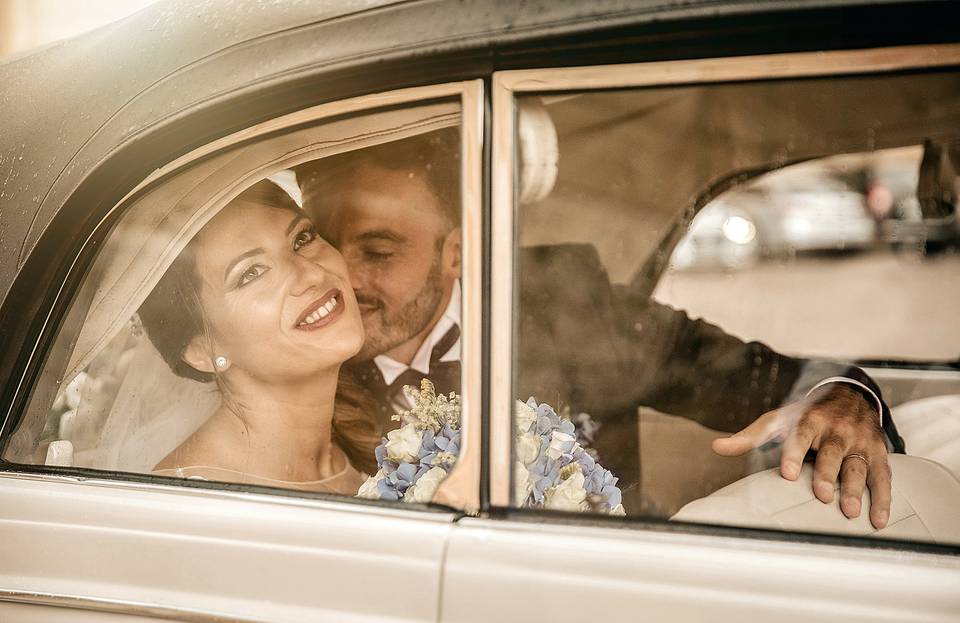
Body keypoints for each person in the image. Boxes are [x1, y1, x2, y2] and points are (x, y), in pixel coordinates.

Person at [296, 129, 903, 527]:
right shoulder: (298, 354)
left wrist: (847, 400)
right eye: (323, 244)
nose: (339, 278)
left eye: (378, 252)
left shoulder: (570, 300)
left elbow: (779, 381)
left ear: (457, 253)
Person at [138, 181, 378, 493]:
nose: (312, 274)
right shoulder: (190, 502)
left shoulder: (371, 452)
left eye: (302, 238)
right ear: (203, 350)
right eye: (251, 273)